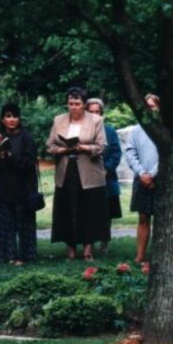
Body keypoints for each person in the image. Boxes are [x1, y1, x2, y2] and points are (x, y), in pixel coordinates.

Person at [46, 87, 108, 261]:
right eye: (70, 103)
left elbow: (101, 146)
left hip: (89, 170)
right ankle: (70, 247)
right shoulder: (59, 120)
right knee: (67, 207)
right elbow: (49, 145)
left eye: (77, 103)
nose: (73, 107)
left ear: (84, 104)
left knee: (89, 209)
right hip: (66, 169)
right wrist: (63, 149)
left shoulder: (96, 120)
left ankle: (88, 248)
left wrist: (83, 147)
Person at [0, 103, 38, 264]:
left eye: (15, 116)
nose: (11, 119)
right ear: (2, 119)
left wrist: (10, 154)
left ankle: (25, 255)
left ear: (19, 119)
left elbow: (29, 163)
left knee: (24, 225)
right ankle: (7, 255)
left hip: (23, 188)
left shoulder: (26, 137)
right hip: (2, 187)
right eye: (8, 116)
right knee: (5, 225)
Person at [126, 94, 160, 264]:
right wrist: (142, 173)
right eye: (146, 106)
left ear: (159, 108)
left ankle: (159, 254)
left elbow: (166, 155)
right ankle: (140, 255)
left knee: (162, 218)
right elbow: (130, 152)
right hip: (141, 178)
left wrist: (152, 174)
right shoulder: (137, 130)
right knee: (143, 217)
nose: (149, 109)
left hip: (160, 179)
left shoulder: (164, 129)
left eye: (152, 106)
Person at [85, 98, 121, 254]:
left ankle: (104, 242)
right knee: (90, 212)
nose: (94, 115)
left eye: (97, 111)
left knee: (107, 213)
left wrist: (107, 168)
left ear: (102, 113)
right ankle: (90, 243)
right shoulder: (82, 131)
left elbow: (116, 152)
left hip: (107, 178)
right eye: (91, 111)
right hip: (87, 176)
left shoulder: (110, 131)